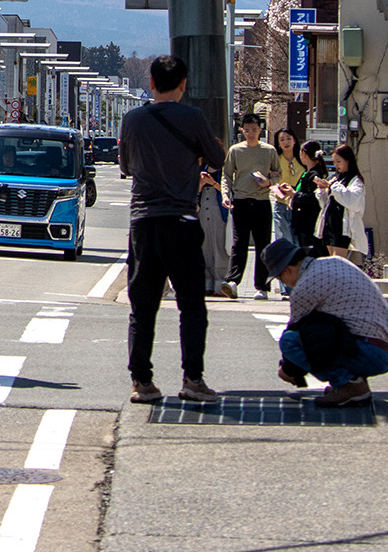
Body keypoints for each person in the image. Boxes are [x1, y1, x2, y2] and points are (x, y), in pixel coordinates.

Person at [117, 54, 226, 405]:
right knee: (191, 303)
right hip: (181, 218)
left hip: (143, 220)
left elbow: (126, 166)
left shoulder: (132, 119)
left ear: (151, 83)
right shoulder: (193, 117)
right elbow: (218, 158)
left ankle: (141, 381)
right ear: (183, 84)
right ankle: (193, 379)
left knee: (142, 305)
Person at [266, 238, 388, 408]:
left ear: (286, 271)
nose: (283, 283)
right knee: (321, 329)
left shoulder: (304, 287)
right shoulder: (336, 262)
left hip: (373, 354)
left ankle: (349, 385)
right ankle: (353, 381)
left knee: (289, 341)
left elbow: (296, 330)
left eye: (280, 278)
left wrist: (288, 371)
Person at [223, 112, 277, 297]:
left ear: (260, 130)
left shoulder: (269, 150)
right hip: (241, 200)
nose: (251, 134)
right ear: (242, 130)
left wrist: (269, 182)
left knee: (263, 244)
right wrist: (225, 195)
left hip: (262, 201)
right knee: (239, 243)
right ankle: (233, 281)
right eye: (247, 130)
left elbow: (277, 173)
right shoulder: (235, 150)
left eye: (254, 130)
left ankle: (262, 286)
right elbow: (227, 175)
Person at [317, 142, 369, 264]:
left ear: (348, 160)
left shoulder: (355, 180)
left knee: (338, 263)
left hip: (341, 226)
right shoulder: (336, 178)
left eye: (339, 161)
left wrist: (332, 187)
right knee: (331, 262)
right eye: (334, 162)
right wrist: (322, 190)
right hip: (330, 223)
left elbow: (352, 200)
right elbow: (325, 203)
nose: (336, 165)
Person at [198, 165, 232, 298]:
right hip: (202, 208)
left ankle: (220, 283)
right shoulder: (200, 168)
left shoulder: (224, 170)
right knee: (204, 247)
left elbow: (229, 192)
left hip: (219, 210)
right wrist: (201, 184)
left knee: (219, 247)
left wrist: (212, 182)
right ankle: (207, 282)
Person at [269, 127, 305, 249]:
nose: (286, 142)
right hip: (281, 203)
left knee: (298, 242)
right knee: (284, 241)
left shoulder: (302, 159)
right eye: (282, 139)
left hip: (298, 205)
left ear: (294, 140)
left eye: (289, 138)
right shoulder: (275, 160)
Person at [290, 140, 328, 256]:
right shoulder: (308, 173)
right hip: (302, 222)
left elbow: (313, 197)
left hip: (309, 221)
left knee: (311, 253)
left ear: (304, 154)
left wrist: (294, 194)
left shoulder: (315, 175)